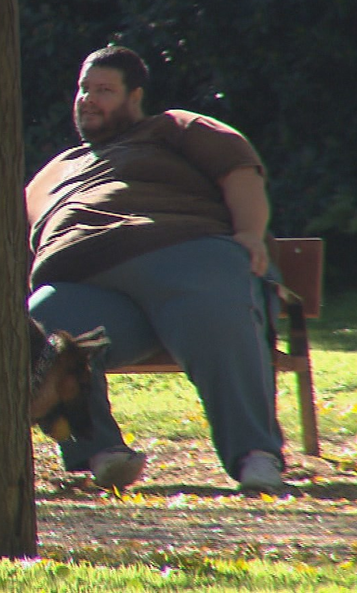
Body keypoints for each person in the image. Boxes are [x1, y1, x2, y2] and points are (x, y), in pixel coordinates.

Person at [24, 45, 287, 493]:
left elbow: (239, 168)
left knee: (218, 313)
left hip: (184, 251)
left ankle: (255, 456)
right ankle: (101, 453)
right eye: (83, 89)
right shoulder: (57, 169)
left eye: (104, 90)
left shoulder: (173, 128)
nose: (88, 98)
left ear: (135, 96)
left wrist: (248, 232)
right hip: (83, 280)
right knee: (45, 323)